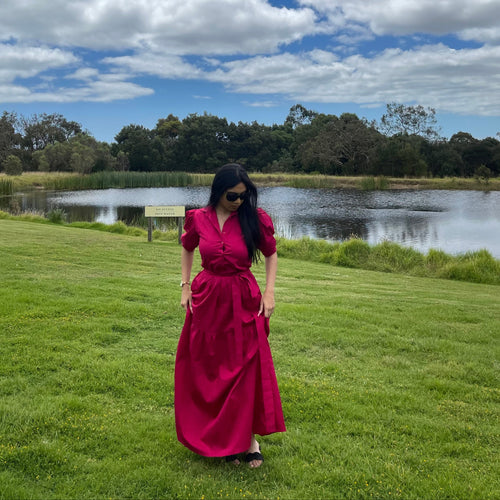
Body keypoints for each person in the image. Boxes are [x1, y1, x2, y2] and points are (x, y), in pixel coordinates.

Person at [175, 163, 286, 468]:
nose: (239, 201)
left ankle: (249, 442)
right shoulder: (198, 218)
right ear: (218, 191)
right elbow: (186, 248)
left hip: (244, 300)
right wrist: (185, 286)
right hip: (208, 300)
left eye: (243, 195)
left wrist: (270, 291)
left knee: (243, 370)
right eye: (232, 196)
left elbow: (271, 253)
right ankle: (221, 439)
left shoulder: (255, 218)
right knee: (210, 369)